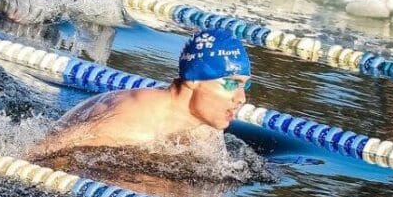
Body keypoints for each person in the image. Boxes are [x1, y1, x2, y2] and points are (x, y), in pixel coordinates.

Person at [28, 28, 252, 160]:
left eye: (245, 86)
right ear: (194, 79)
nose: (241, 98)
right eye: (232, 84)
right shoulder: (134, 123)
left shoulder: (206, 127)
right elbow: (41, 150)